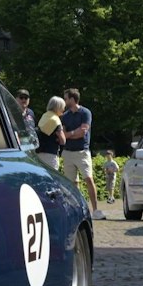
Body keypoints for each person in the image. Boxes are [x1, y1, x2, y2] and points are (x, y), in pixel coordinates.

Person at [59, 89, 103, 219]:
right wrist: (74, 133)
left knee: (89, 179)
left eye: (66, 99)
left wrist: (70, 134)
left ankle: (95, 210)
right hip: (68, 152)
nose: (64, 101)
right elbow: (64, 135)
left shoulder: (85, 113)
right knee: (71, 183)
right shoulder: (65, 116)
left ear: (72, 99)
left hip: (82, 151)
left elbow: (83, 132)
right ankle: (77, 210)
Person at [35, 96, 65, 171]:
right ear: (58, 107)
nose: (63, 110)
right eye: (62, 107)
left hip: (39, 152)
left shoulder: (44, 116)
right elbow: (63, 140)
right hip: (50, 154)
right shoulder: (56, 120)